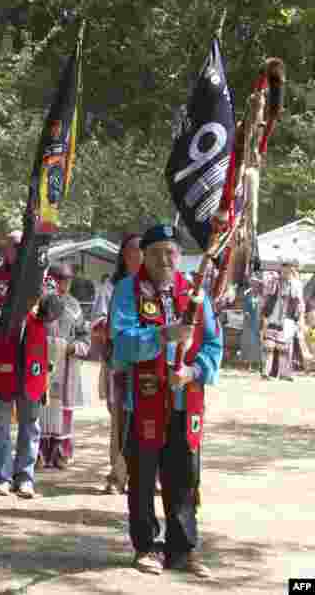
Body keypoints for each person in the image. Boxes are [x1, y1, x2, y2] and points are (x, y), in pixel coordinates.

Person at [109, 224, 221, 578]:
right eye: (156, 251)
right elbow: (122, 343)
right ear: (145, 255)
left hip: (184, 401)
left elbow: (214, 345)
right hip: (142, 400)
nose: (164, 258)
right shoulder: (128, 290)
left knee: (183, 476)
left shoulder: (196, 292)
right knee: (142, 476)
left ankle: (183, 548)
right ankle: (145, 547)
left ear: (179, 255)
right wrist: (164, 335)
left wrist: (193, 372)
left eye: (170, 251)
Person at [0, 230, 48, 499]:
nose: (15, 249)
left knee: (30, 421)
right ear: (4, 249)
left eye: (20, 245)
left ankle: (25, 476)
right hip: (1, 360)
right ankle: (2, 476)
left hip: (32, 362)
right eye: (11, 245)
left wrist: (49, 305)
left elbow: (53, 311)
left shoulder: (41, 278)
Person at [96, 234, 142, 494]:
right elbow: (98, 323)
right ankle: (118, 474)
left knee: (150, 420)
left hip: (149, 364)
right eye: (133, 250)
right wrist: (114, 326)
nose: (139, 255)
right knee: (120, 422)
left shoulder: (155, 287)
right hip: (118, 364)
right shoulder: (112, 287)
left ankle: (149, 474)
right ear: (124, 255)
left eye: (142, 250)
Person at [38, 263, 90, 469]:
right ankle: (39, 453)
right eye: (60, 280)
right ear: (50, 279)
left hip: (67, 366)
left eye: (67, 280)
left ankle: (61, 453)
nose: (64, 284)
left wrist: (74, 347)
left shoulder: (74, 306)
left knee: (63, 411)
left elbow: (84, 335)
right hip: (42, 364)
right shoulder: (39, 302)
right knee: (42, 408)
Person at [261, 258, 304, 381]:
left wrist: (300, 319)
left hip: (288, 319)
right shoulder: (274, 282)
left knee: (284, 348)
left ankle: (285, 373)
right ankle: (266, 372)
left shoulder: (297, 284)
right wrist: (264, 316)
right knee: (269, 346)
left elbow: (300, 303)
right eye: (284, 267)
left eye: (289, 268)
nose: (286, 270)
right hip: (273, 317)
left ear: (293, 269)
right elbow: (266, 297)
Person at [239, 275, 264, 372]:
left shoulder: (262, 296)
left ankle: (259, 365)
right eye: (252, 283)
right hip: (249, 322)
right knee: (249, 343)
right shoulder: (247, 294)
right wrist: (246, 313)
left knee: (258, 343)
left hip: (259, 322)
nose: (254, 285)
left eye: (256, 283)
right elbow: (244, 308)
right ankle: (248, 365)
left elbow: (264, 309)